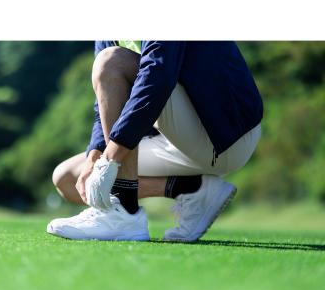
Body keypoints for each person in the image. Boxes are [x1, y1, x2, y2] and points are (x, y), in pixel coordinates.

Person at [47, 41, 263, 241]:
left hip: (223, 132)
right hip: (176, 140)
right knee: (68, 178)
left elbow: (157, 76)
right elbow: (105, 98)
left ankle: (123, 213)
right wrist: (95, 155)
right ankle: (192, 190)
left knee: (112, 61)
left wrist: (110, 159)